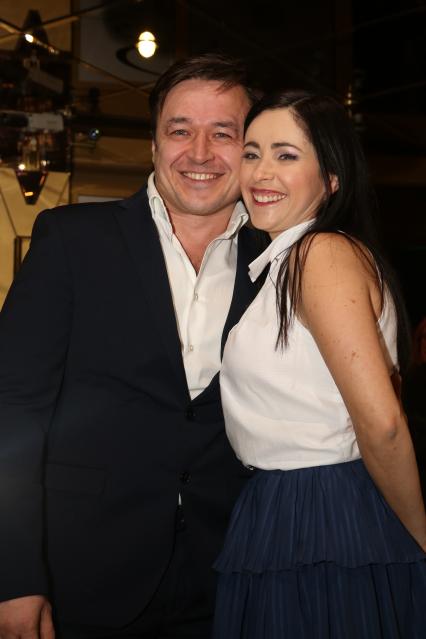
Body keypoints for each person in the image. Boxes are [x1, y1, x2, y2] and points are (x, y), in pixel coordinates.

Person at [0, 54, 267, 639]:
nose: (200, 153)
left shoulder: (282, 263)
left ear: (251, 151)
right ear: (153, 144)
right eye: (180, 130)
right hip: (79, 575)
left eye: (223, 133)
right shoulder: (72, 241)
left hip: (230, 576)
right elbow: (12, 412)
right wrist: (14, 576)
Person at [212, 90, 426, 638]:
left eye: (286, 154)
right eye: (252, 152)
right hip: (286, 506)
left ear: (332, 179)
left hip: (322, 509)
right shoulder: (286, 262)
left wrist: (419, 540)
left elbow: (383, 423)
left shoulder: (320, 254)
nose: (261, 171)